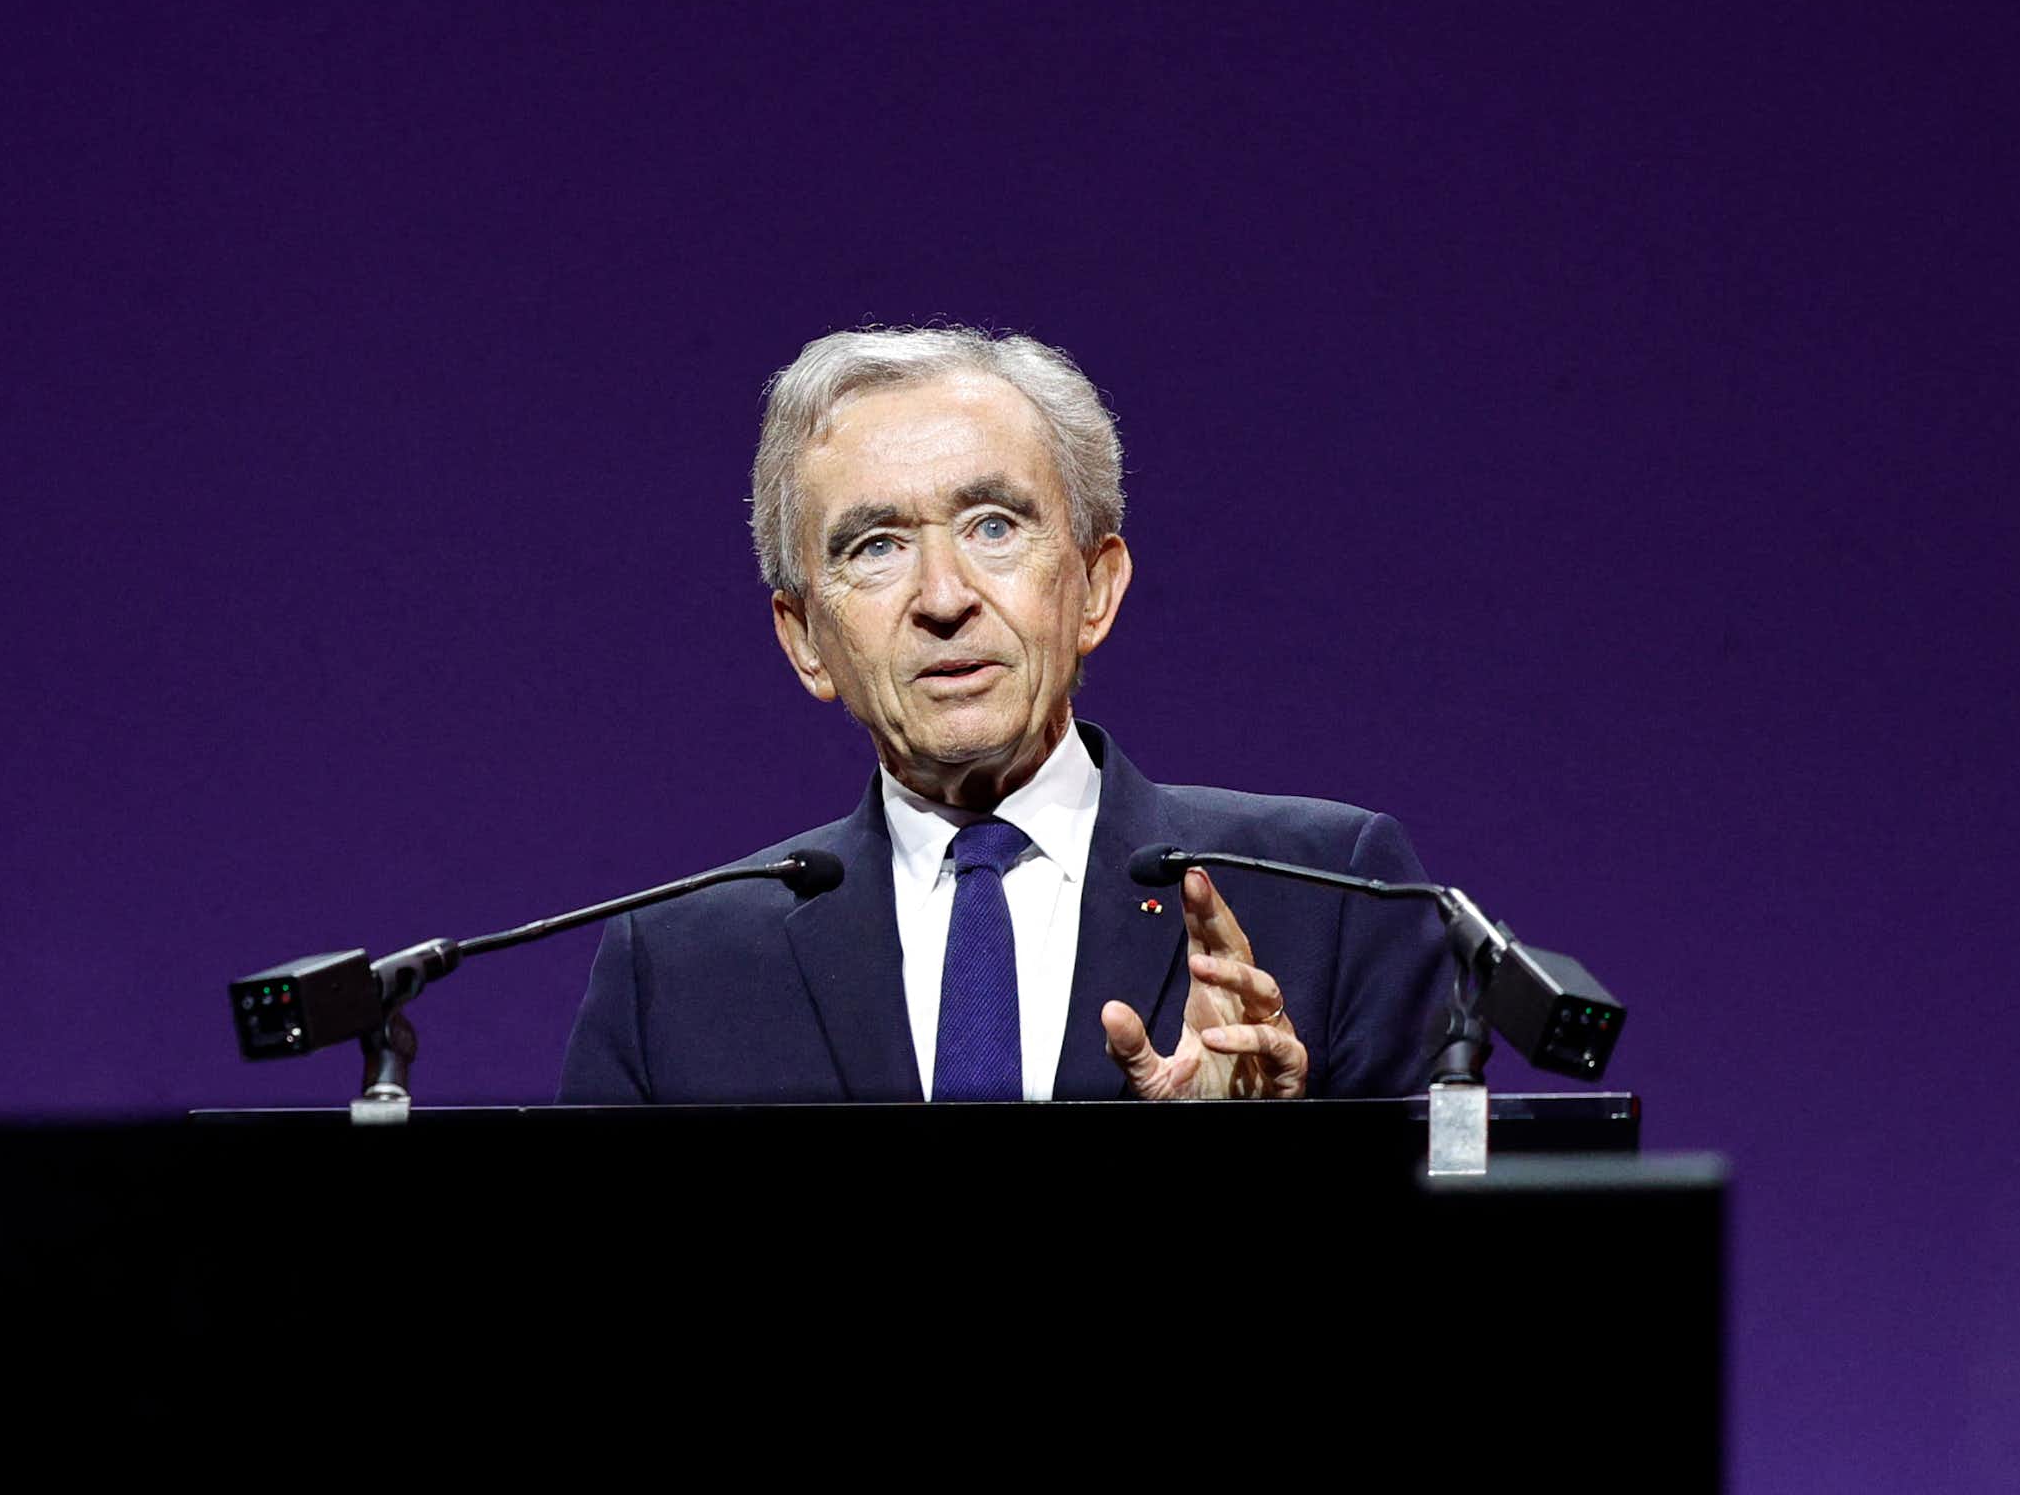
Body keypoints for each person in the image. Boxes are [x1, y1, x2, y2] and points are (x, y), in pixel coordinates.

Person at [559, 326, 1450, 1103]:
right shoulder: (675, 968)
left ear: (1095, 587)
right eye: (876, 546)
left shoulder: (1335, 897)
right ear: (805, 642)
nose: (944, 598)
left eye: (993, 526)